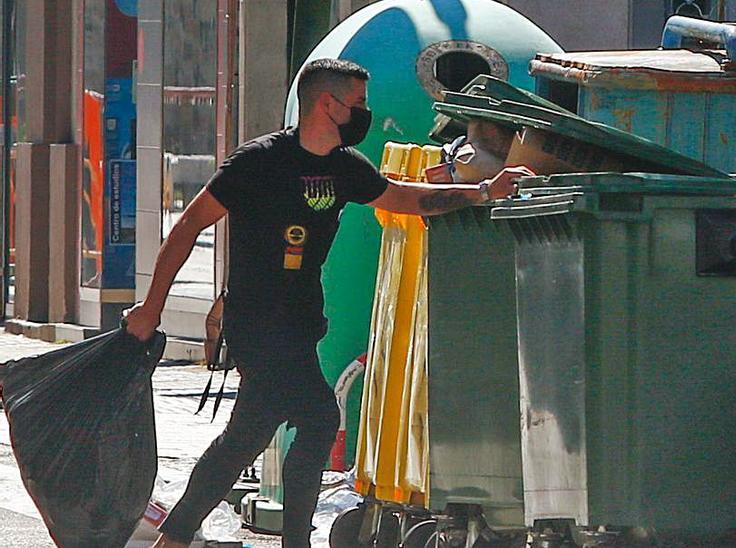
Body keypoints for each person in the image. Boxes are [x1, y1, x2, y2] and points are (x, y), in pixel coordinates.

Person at [125, 58, 530, 547]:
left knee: (246, 437)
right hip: (255, 322)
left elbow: (402, 197)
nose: (363, 112)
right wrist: (151, 308)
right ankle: (292, 540)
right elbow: (189, 225)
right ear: (327, 103)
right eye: (358, 103)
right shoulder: (258, 162)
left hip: (298, 323)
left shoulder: (343, 168)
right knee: (318, 418)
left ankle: (175, 536)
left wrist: (482, 191)